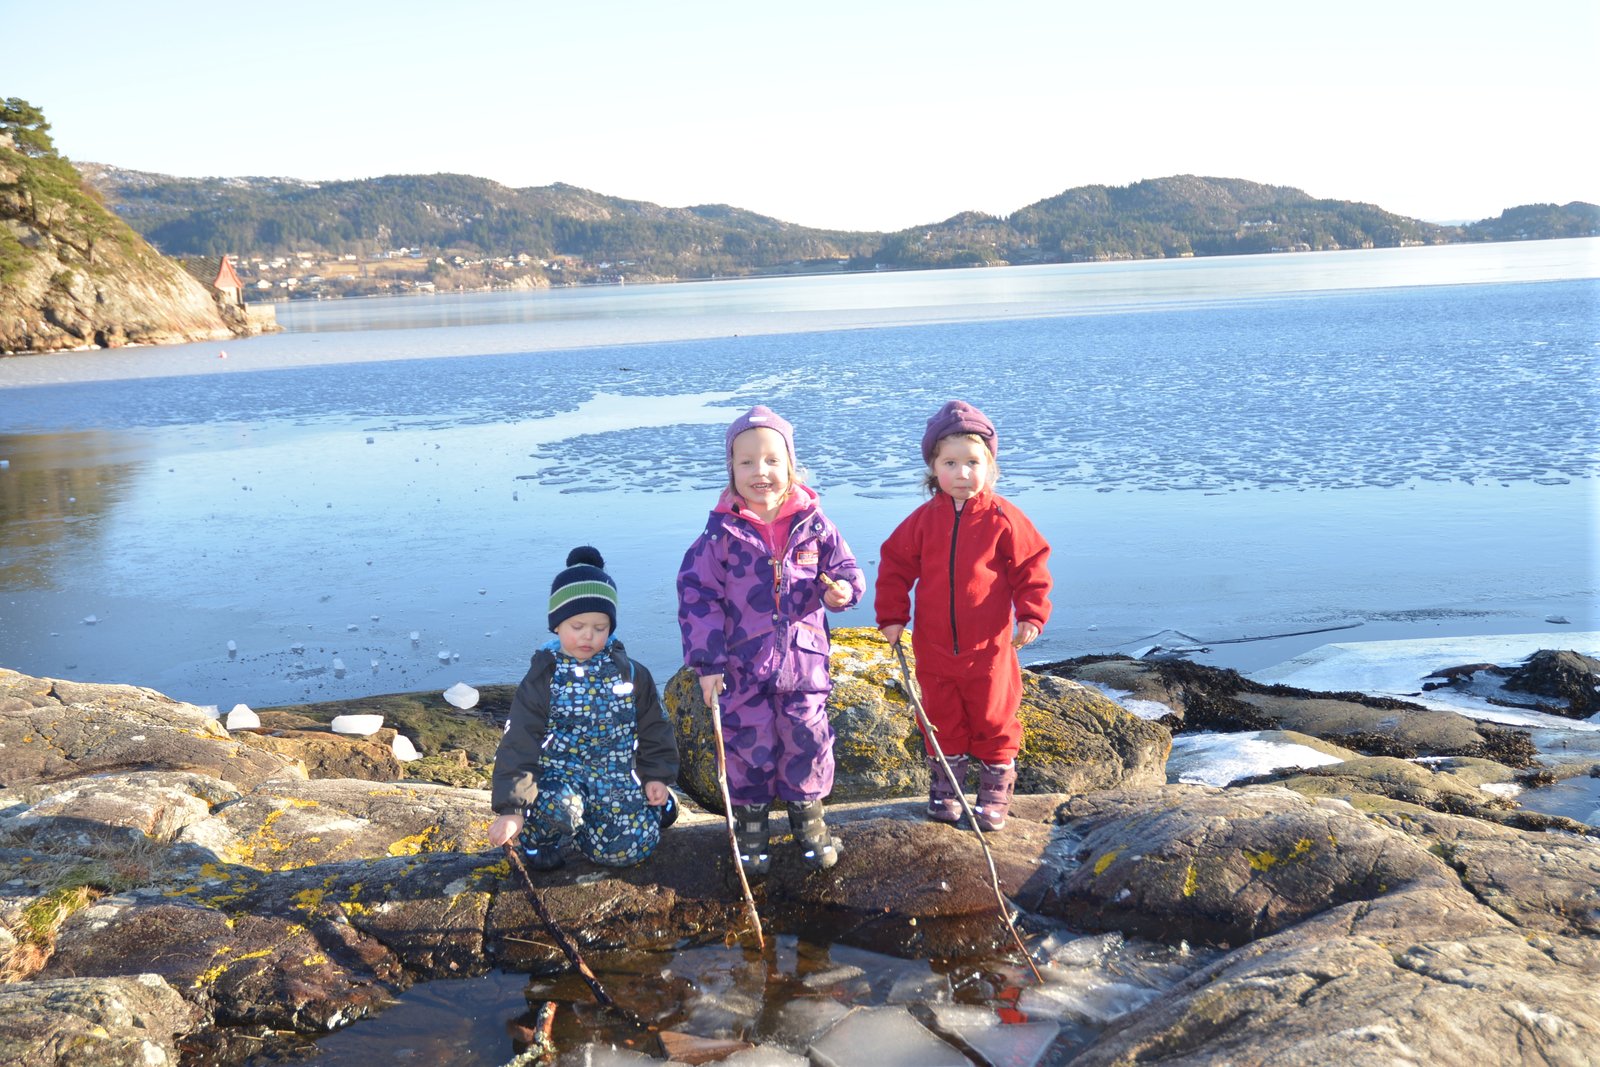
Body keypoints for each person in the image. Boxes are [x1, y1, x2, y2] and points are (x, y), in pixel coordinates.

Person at [678, 405, 865, 875]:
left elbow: (845, 570)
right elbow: (697, 596)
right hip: (742, 664)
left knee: (808, 737)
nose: (760, 472)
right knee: (747, 744)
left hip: (804, 662)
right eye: (747, 462)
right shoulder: (721, 534)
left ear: (790, 465)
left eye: (771, 460)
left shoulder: (815, 525)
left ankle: (809, 822)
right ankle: (751, 829)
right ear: (731, 469)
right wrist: (707, 664)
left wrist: (843, 592)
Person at [875, 400, 1052, 831]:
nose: (962, 473)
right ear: (933, 468)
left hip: (989, 646)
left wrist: (1031, 614)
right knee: (940, 717)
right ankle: (947, 786)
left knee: (994, 716)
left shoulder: (1003, 518)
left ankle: (994, 791)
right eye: (950, 463)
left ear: (990, 466)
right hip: (933, 646)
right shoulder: (923, 521)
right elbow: (895, 567)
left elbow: (1031, 567)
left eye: (973, 462)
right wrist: (892, 617)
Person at [488, 546, 679, 870]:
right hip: (559, 781)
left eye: (600, 627)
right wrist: (512, 810)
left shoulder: (631, 674)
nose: (588, 636)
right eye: (577, 626)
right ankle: (538, 839)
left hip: (614, 779)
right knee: (561, 807)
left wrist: (657, 776)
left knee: (628, 851)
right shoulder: (543, 678)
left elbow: (655, 728)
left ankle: (654, 805)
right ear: (557, 625)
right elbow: (519, 742)